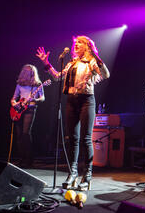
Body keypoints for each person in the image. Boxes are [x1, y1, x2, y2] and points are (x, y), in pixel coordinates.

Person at [36, 36, 110, 191]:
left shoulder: (92, 62)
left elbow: (106, 74)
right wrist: (46, 63)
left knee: (86, 139)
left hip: (87, 100)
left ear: (88, 46)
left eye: (80, 43)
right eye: (75, 43)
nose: (76, 45)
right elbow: (57, 77)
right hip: (71, 101)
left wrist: (96, 56)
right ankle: (73, 173)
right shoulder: (71, 63)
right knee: (72, 139)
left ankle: (87, 175)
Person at [11, 64, 45, 167]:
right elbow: (14, 98)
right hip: (19, 110)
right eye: (28, 72)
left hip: (30, 108)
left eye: (32, 72)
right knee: (19, 135)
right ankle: (22, 158)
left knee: (26, 133)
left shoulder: (37, 84)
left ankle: (29, 159)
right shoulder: (19, 84)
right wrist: (14, 104)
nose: (30, 73)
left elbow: (42, 98)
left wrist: (34, 99)